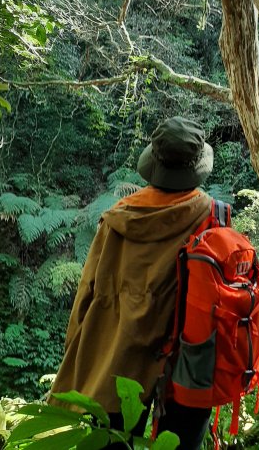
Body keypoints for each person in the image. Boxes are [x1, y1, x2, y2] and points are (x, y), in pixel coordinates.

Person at [50, 116, 217, 449]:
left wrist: (76, 352)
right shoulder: (212, 215)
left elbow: (86, 292)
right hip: (187, 365)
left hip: (117, 360)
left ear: (154, 163)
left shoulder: (119, 218)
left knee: (113, 441)